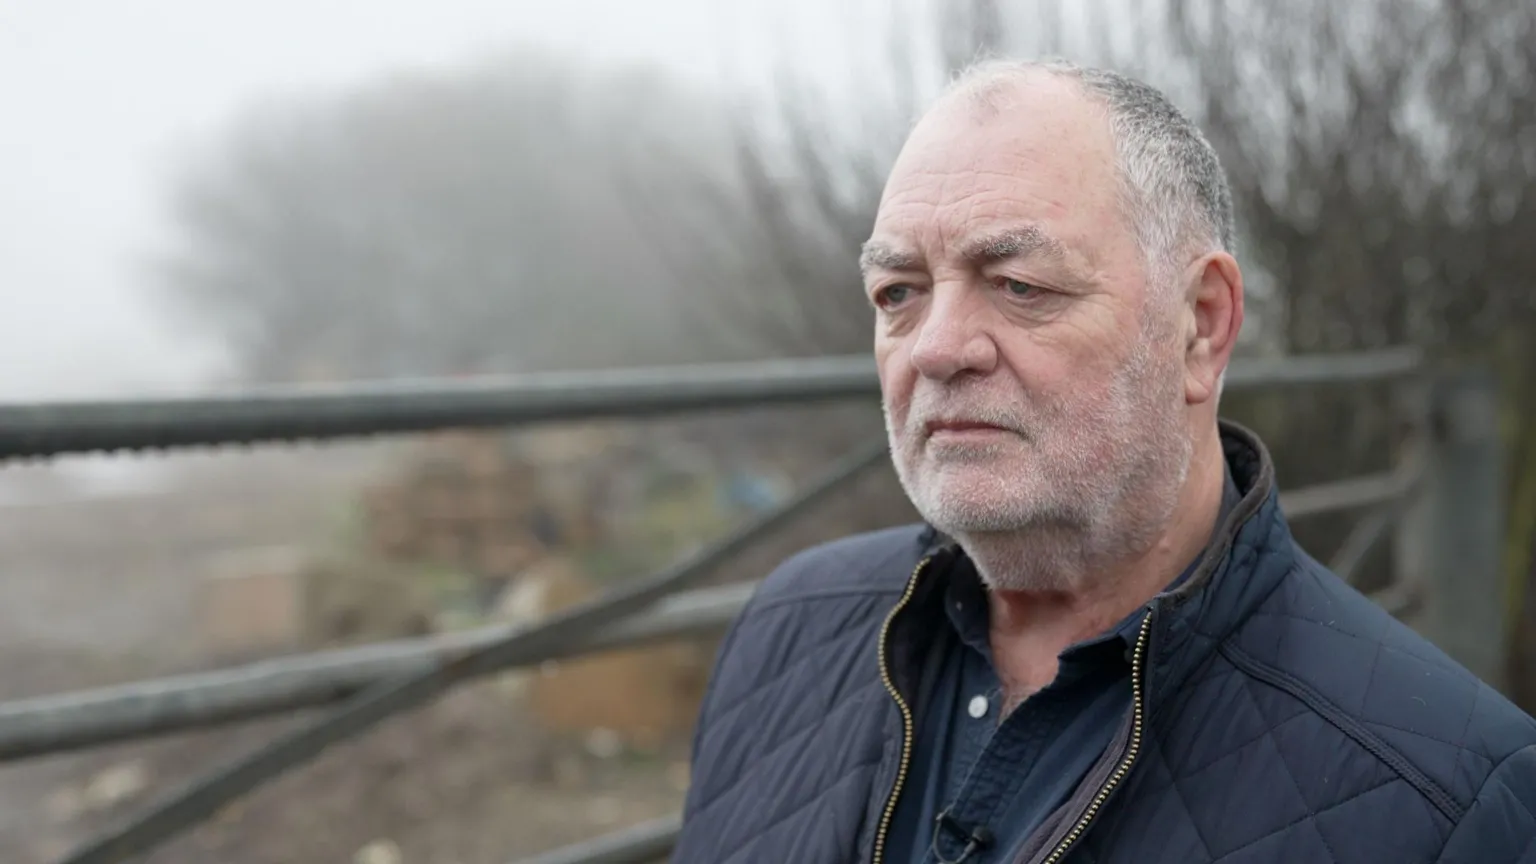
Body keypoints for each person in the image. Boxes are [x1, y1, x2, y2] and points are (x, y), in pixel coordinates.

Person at [670, 58, 1536, 864]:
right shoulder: (783, 631)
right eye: (899, 293)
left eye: (1020, 286)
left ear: (1200, 324)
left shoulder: (1450, 800)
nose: (935, 348)